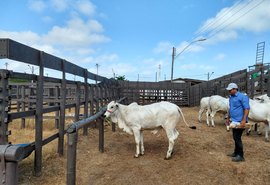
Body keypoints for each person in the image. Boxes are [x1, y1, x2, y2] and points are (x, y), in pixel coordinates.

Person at [225, 83, 250, 162]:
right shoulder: (231, 97)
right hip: (233, 120)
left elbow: (247, 108)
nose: (229, 91)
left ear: (235, 89)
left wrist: (243, 120)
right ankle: (236, 153)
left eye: (230, 90)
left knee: (237, 137)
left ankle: (241, 155)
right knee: (235, 137)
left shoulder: (243, 97)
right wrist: (228, 118)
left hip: (240, 121)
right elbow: (230, 108)